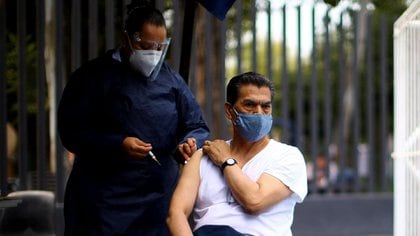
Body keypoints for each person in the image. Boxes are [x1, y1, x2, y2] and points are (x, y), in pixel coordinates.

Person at [57, 2, 209, 235]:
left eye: (160, 47)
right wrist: (117, 143)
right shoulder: (92, 77)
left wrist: (188, 143)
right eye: (147, 46)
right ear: (126, 38)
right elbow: (72, 132)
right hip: (104, 201)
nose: (154, 54)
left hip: (157, 199)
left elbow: (196, 125)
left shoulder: (171, 80)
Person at [166, 72, 308, 236]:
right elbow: (176, 214)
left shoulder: (287, 156)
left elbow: (254, 201)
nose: (259, 112)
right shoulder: (202, 157)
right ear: (229, 110)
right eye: (249, 104)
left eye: (265, 106)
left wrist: (226, 160)